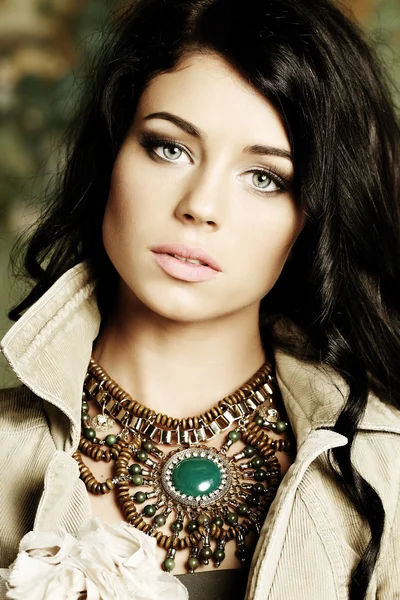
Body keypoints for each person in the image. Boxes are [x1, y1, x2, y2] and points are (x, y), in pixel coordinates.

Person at [1, 0, 399, 598]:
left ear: (316, 216)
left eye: (265, 177)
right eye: (169, 148)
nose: (200, 206)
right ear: (112, 153)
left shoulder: (385, 472)